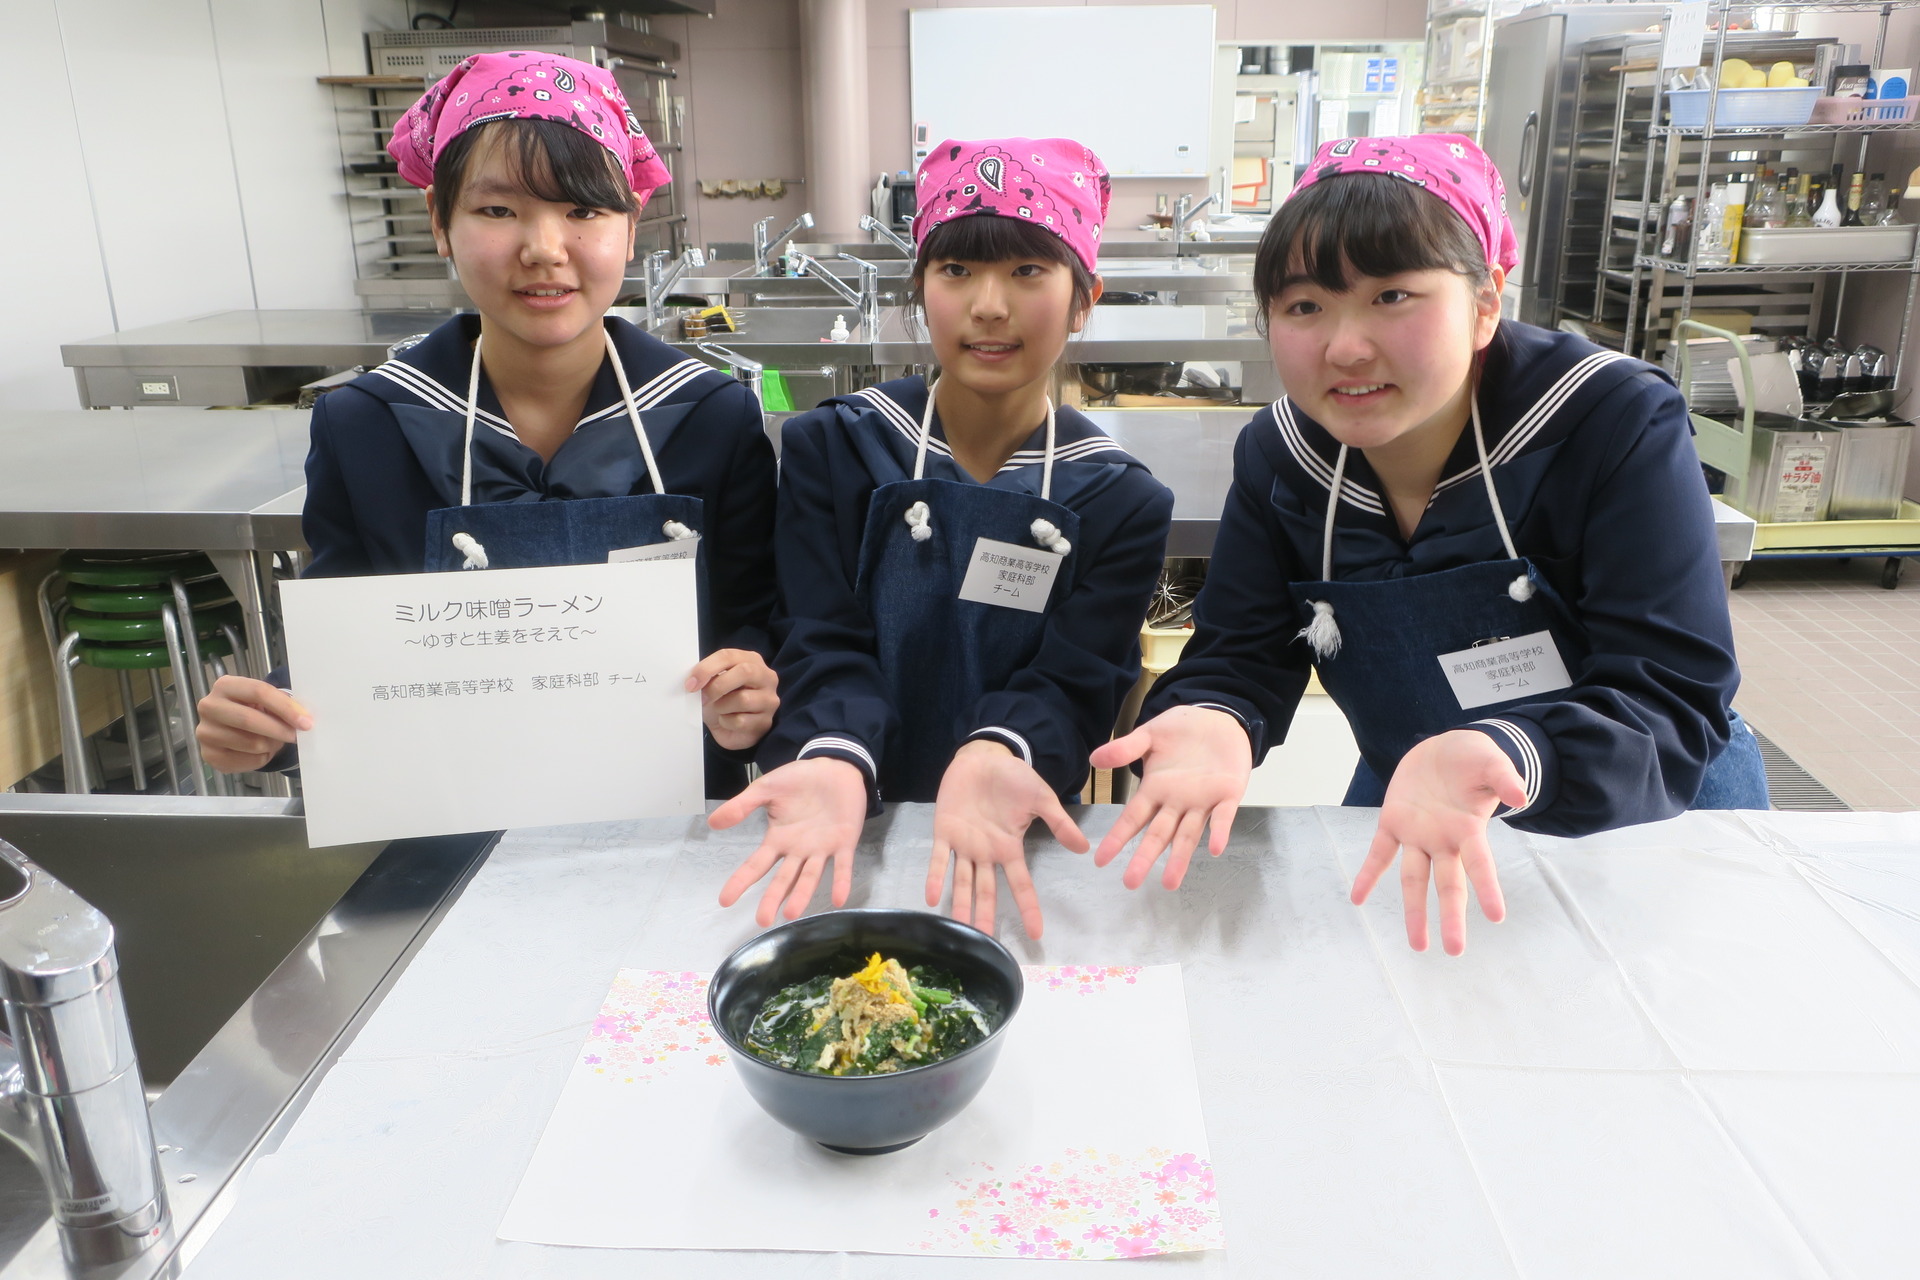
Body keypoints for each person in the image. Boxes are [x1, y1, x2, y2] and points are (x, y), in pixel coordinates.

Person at [1092, 134, 1768, 955]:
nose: (1345, 346)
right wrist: (1214, 716)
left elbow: (1669, 692)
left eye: (1393, 297)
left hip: (1645, 803)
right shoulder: (1282, 455)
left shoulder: (1606, 421)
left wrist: (1510, 749)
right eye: (1305, 306)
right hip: (1417, 793)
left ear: (1487, 302)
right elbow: (1243, 652)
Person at [194, 52, 778, 795]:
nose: (544, 250)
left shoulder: (709, 416)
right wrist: (269, 721)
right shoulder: (368, 424)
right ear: (440, 221)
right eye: (498, 210)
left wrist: (751, 683)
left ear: (631, 225)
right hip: (443, 822)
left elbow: (755, 618)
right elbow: (352, 645)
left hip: (670, 825)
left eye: (584, 211)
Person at [713, 138, 1175, 937]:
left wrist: (1002, 749)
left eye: (1028, 271)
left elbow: (1076, 681)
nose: (988, 305)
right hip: (838, 821)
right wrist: (832, 756)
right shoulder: (839, 448)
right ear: (921, 288)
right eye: (956, 271)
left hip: (1010, 826)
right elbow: (817, 638)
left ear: (1083, 297)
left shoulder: (1118, 499)